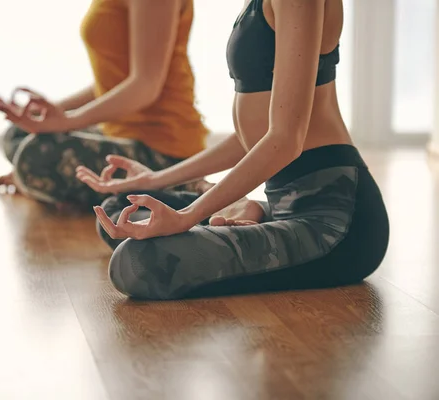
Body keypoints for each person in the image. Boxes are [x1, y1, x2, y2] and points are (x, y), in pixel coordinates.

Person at [76, 0, 390, 300]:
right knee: (122, 208)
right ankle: (259, 213)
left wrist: (187, 216)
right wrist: (154, 180)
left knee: (136, 263)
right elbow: (248, 137)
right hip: (283, 205)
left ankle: (256, 214)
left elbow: (284, 140)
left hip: (334, 223)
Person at [0, 0, 210, 209]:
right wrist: (54, 113)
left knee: (34, 157)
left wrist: (69, 120)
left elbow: (146, 86)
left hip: (163, 149)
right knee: (17, 134)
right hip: (117, 133)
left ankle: (175, 184)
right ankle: (51, 183)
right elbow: (110, 83)